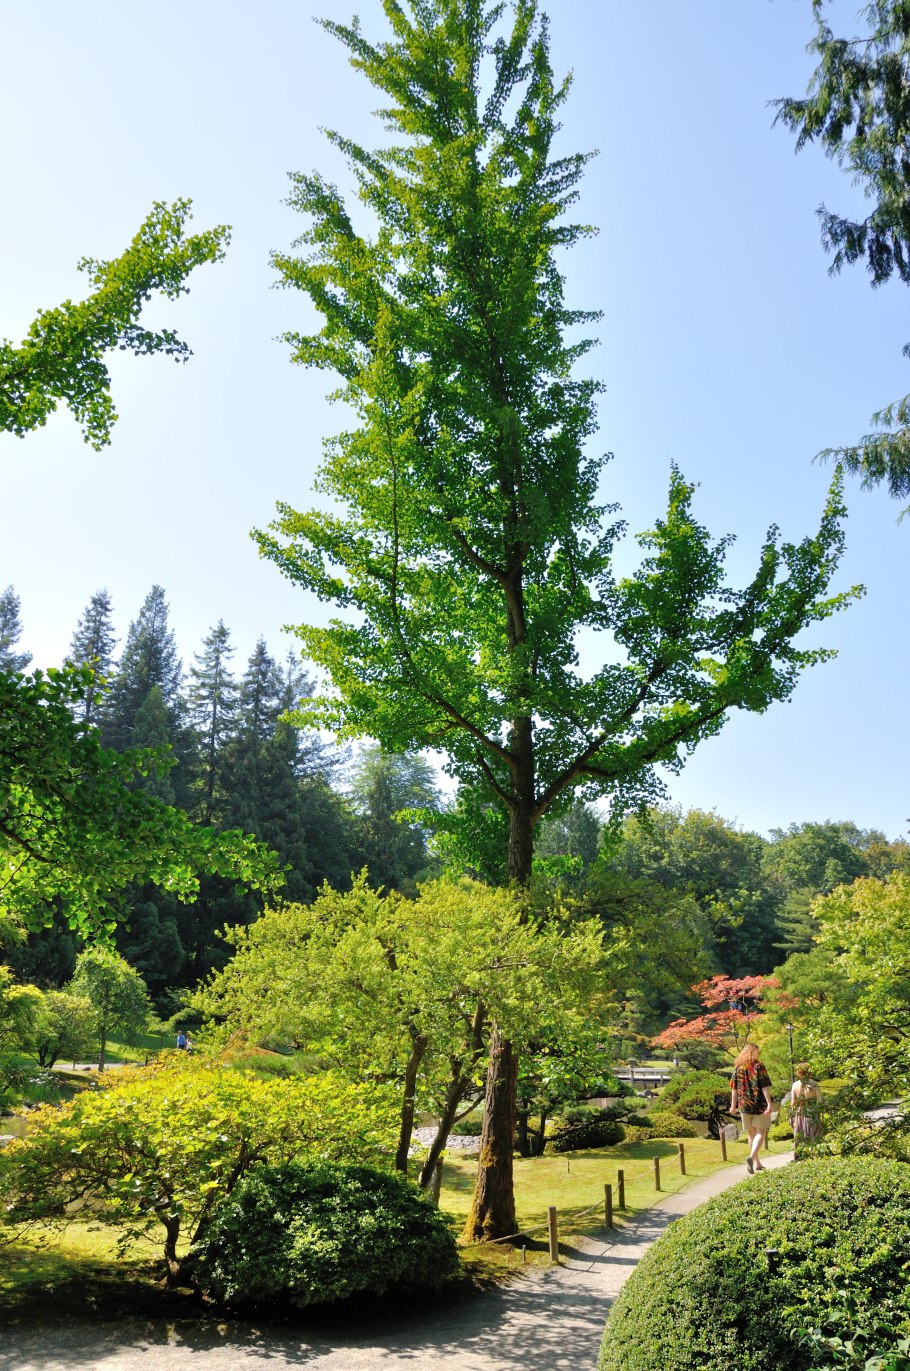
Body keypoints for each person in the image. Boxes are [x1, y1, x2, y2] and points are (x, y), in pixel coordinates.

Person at [730, 1043, 772, 1174]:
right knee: (761, 1131)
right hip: (759, 1104)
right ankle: (752, 1157)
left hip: (744, 1105)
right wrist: (769, 1103)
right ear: (754, 1052)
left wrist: (733, 1105)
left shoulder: (738, 1067)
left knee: (751, 1133)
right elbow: (765, 1086)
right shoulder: (759, 1066)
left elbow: (734, 1088)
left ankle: (757, 1163)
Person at [790, 1062, 823, 1145]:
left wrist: (792, 1116)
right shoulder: (813, 1084)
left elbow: (793, 1102)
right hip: (812, 1111)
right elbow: (820, 1100)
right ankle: (813, 1151)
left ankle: (800, 1153)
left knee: (800, 1132)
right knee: (814, 1133)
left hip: (800, 1112)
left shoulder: (795, 1085)